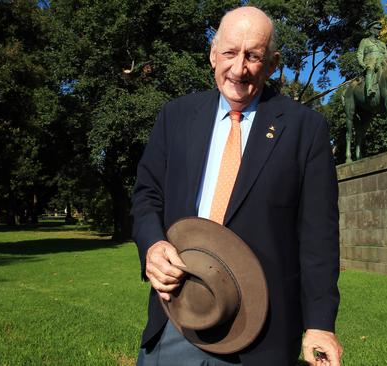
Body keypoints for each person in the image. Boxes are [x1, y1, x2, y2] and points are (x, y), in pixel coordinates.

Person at [131, 6, 342, 366]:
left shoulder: (306, 129)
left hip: (263, 337)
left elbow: (318, 237)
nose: (238, 68)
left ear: (273, 63)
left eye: (253, 56)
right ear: (213, 55)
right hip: (178, 318)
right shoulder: (175, 117)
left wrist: (320, 324)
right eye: (229, 52)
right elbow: (147, 196)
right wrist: (153, 245)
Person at [356, 20, 387, 98]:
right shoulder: (365, 41)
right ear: (371, 30)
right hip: (369, 63)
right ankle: (369, 90)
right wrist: (362, 64)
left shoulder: (382, 44)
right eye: (377, 29)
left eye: (379, 29)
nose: (379, 31)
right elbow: (359, 54)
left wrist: (384, 59)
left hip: (381, 62)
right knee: (370, 68)